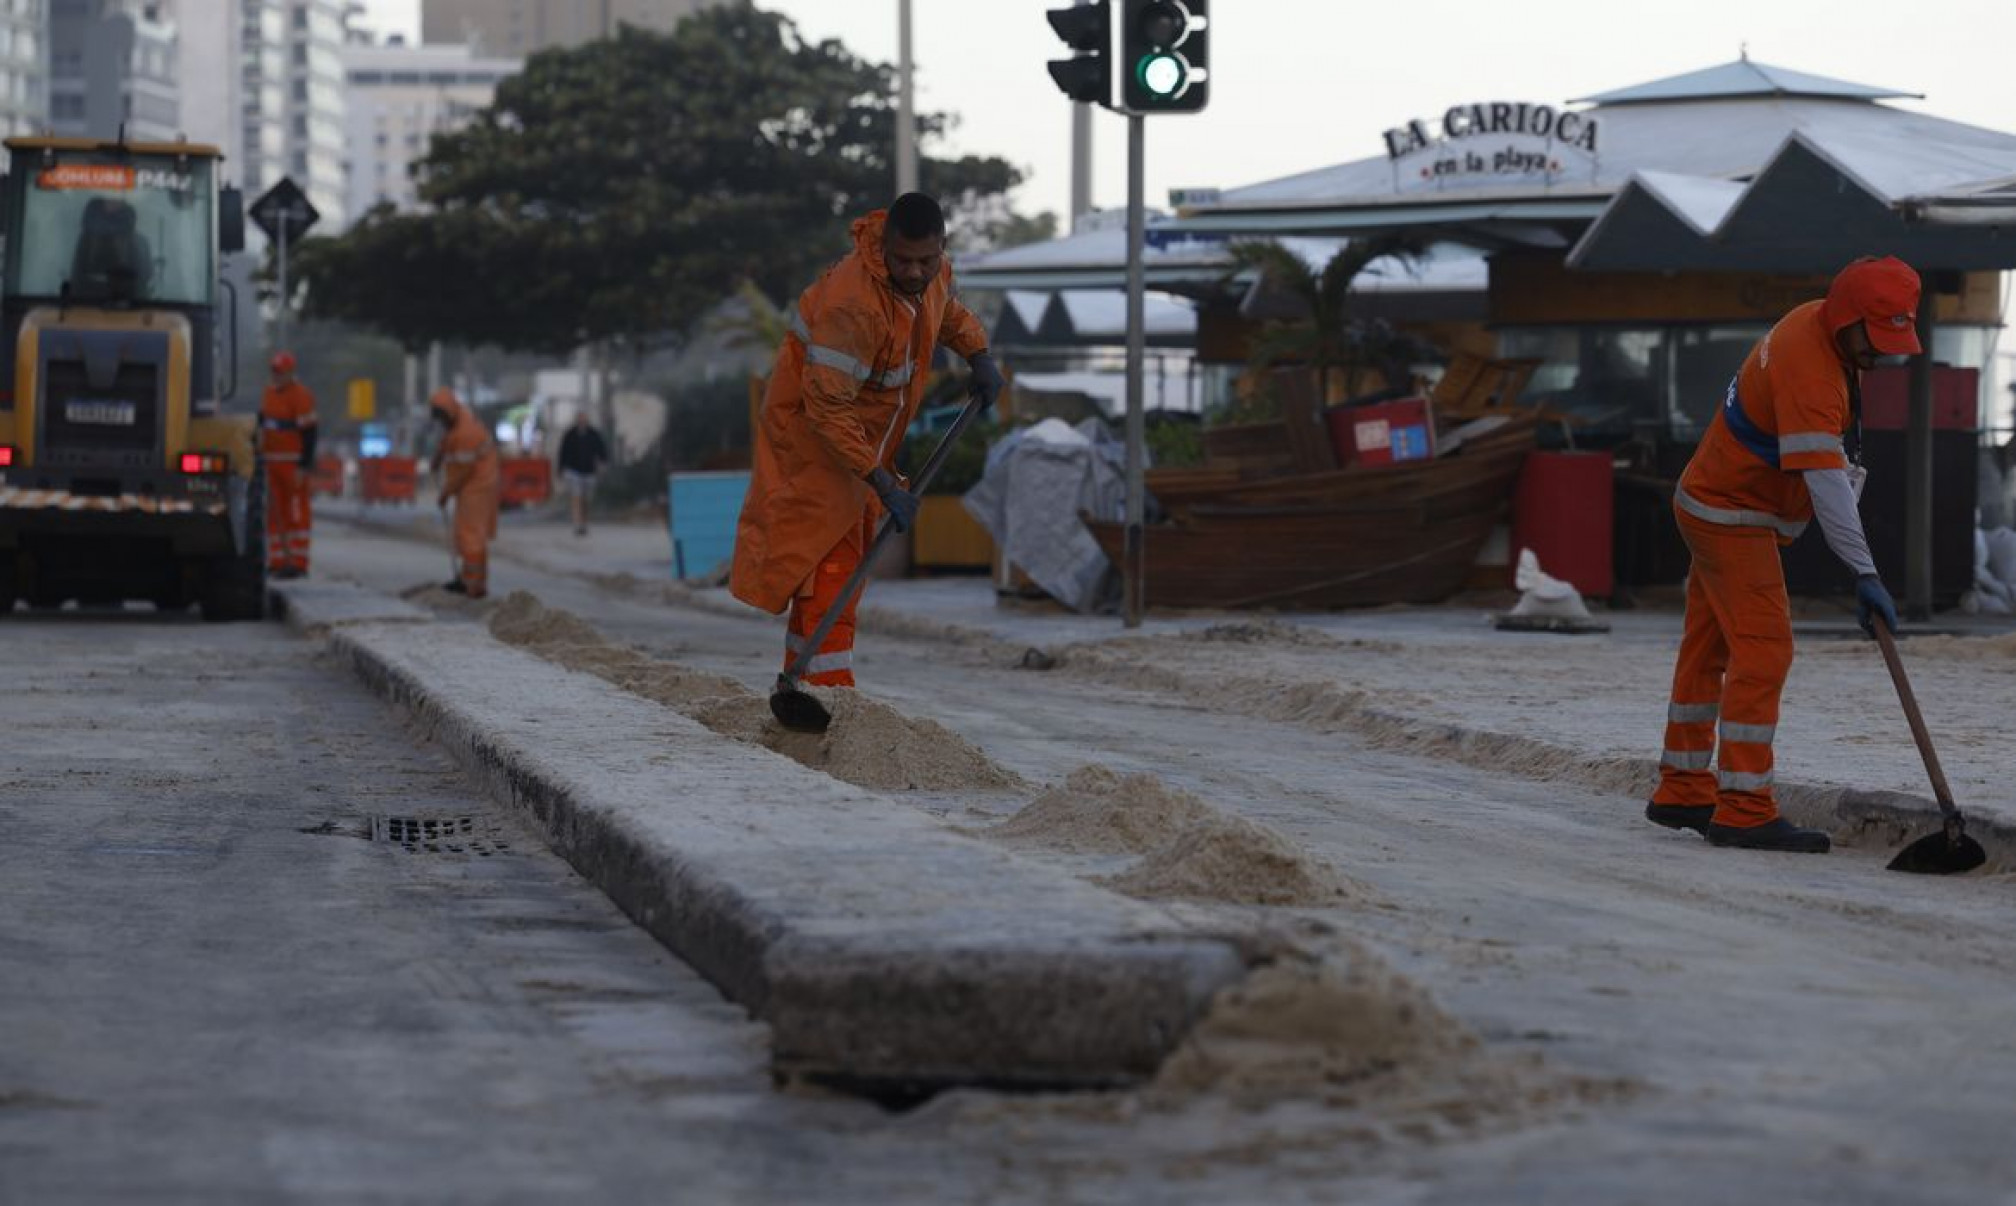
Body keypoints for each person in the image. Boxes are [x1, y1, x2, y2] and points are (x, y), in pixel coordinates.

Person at [1646, 256, 1916, 854]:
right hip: (1730, 513)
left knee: (1708, 647)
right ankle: (1743, 809)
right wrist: (1865, 574)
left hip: (1709, 497)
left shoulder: (1816, 324)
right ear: (1847, 321)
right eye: (1877, 339)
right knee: (1765, 649)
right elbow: (1826, 487)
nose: (1886, 354)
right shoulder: (1813, 375)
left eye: (1896, 339)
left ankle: (1683, 787)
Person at [730, 192, 1005, 690]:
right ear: (885, 247)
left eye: (928, 259)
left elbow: (946, 315)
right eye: (904, 260)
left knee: (842, 560)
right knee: (828, 561)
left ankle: (804, 678)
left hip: (862, 442)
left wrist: (979, 354)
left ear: (942, 246)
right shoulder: (852, 306)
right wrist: (881, 479)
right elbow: (828, 409)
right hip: (814, 438)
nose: (917, 271)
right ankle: (825, 691)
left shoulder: (933, 276)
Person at [428, 387, 500, 599]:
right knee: (465, 531)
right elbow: (449, 442)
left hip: (478, 483)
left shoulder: (465, 432)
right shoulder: (460, 421)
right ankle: (468, 578)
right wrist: (438, 457)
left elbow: (460, 471)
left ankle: (474, 584)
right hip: (473, 482)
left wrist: (445, 494)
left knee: (471, 535)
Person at [259, 351, 318, 579]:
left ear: (290, 373)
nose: (276, 376)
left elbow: (310, 433)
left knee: (296, 513)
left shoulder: (301, 396)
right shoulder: (269, 394)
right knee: (274, 514)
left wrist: (304, 465)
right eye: (274, 371)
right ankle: (278, 560)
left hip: (292, 464)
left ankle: (298, 561)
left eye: (280, 372)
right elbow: (264, 423)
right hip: (271, 463)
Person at [556, 410, 609, 536]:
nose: (582, 420)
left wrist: (603, 463)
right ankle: (577, 523)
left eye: (584, 418)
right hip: (573, 471)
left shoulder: (593, 434)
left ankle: (584, 522)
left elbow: (601, 450)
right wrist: (561, 469)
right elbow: (563, 452)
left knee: (586, 500)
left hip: (589, 471)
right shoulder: (570, 435)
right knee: (576, 497)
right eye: (580, 418)